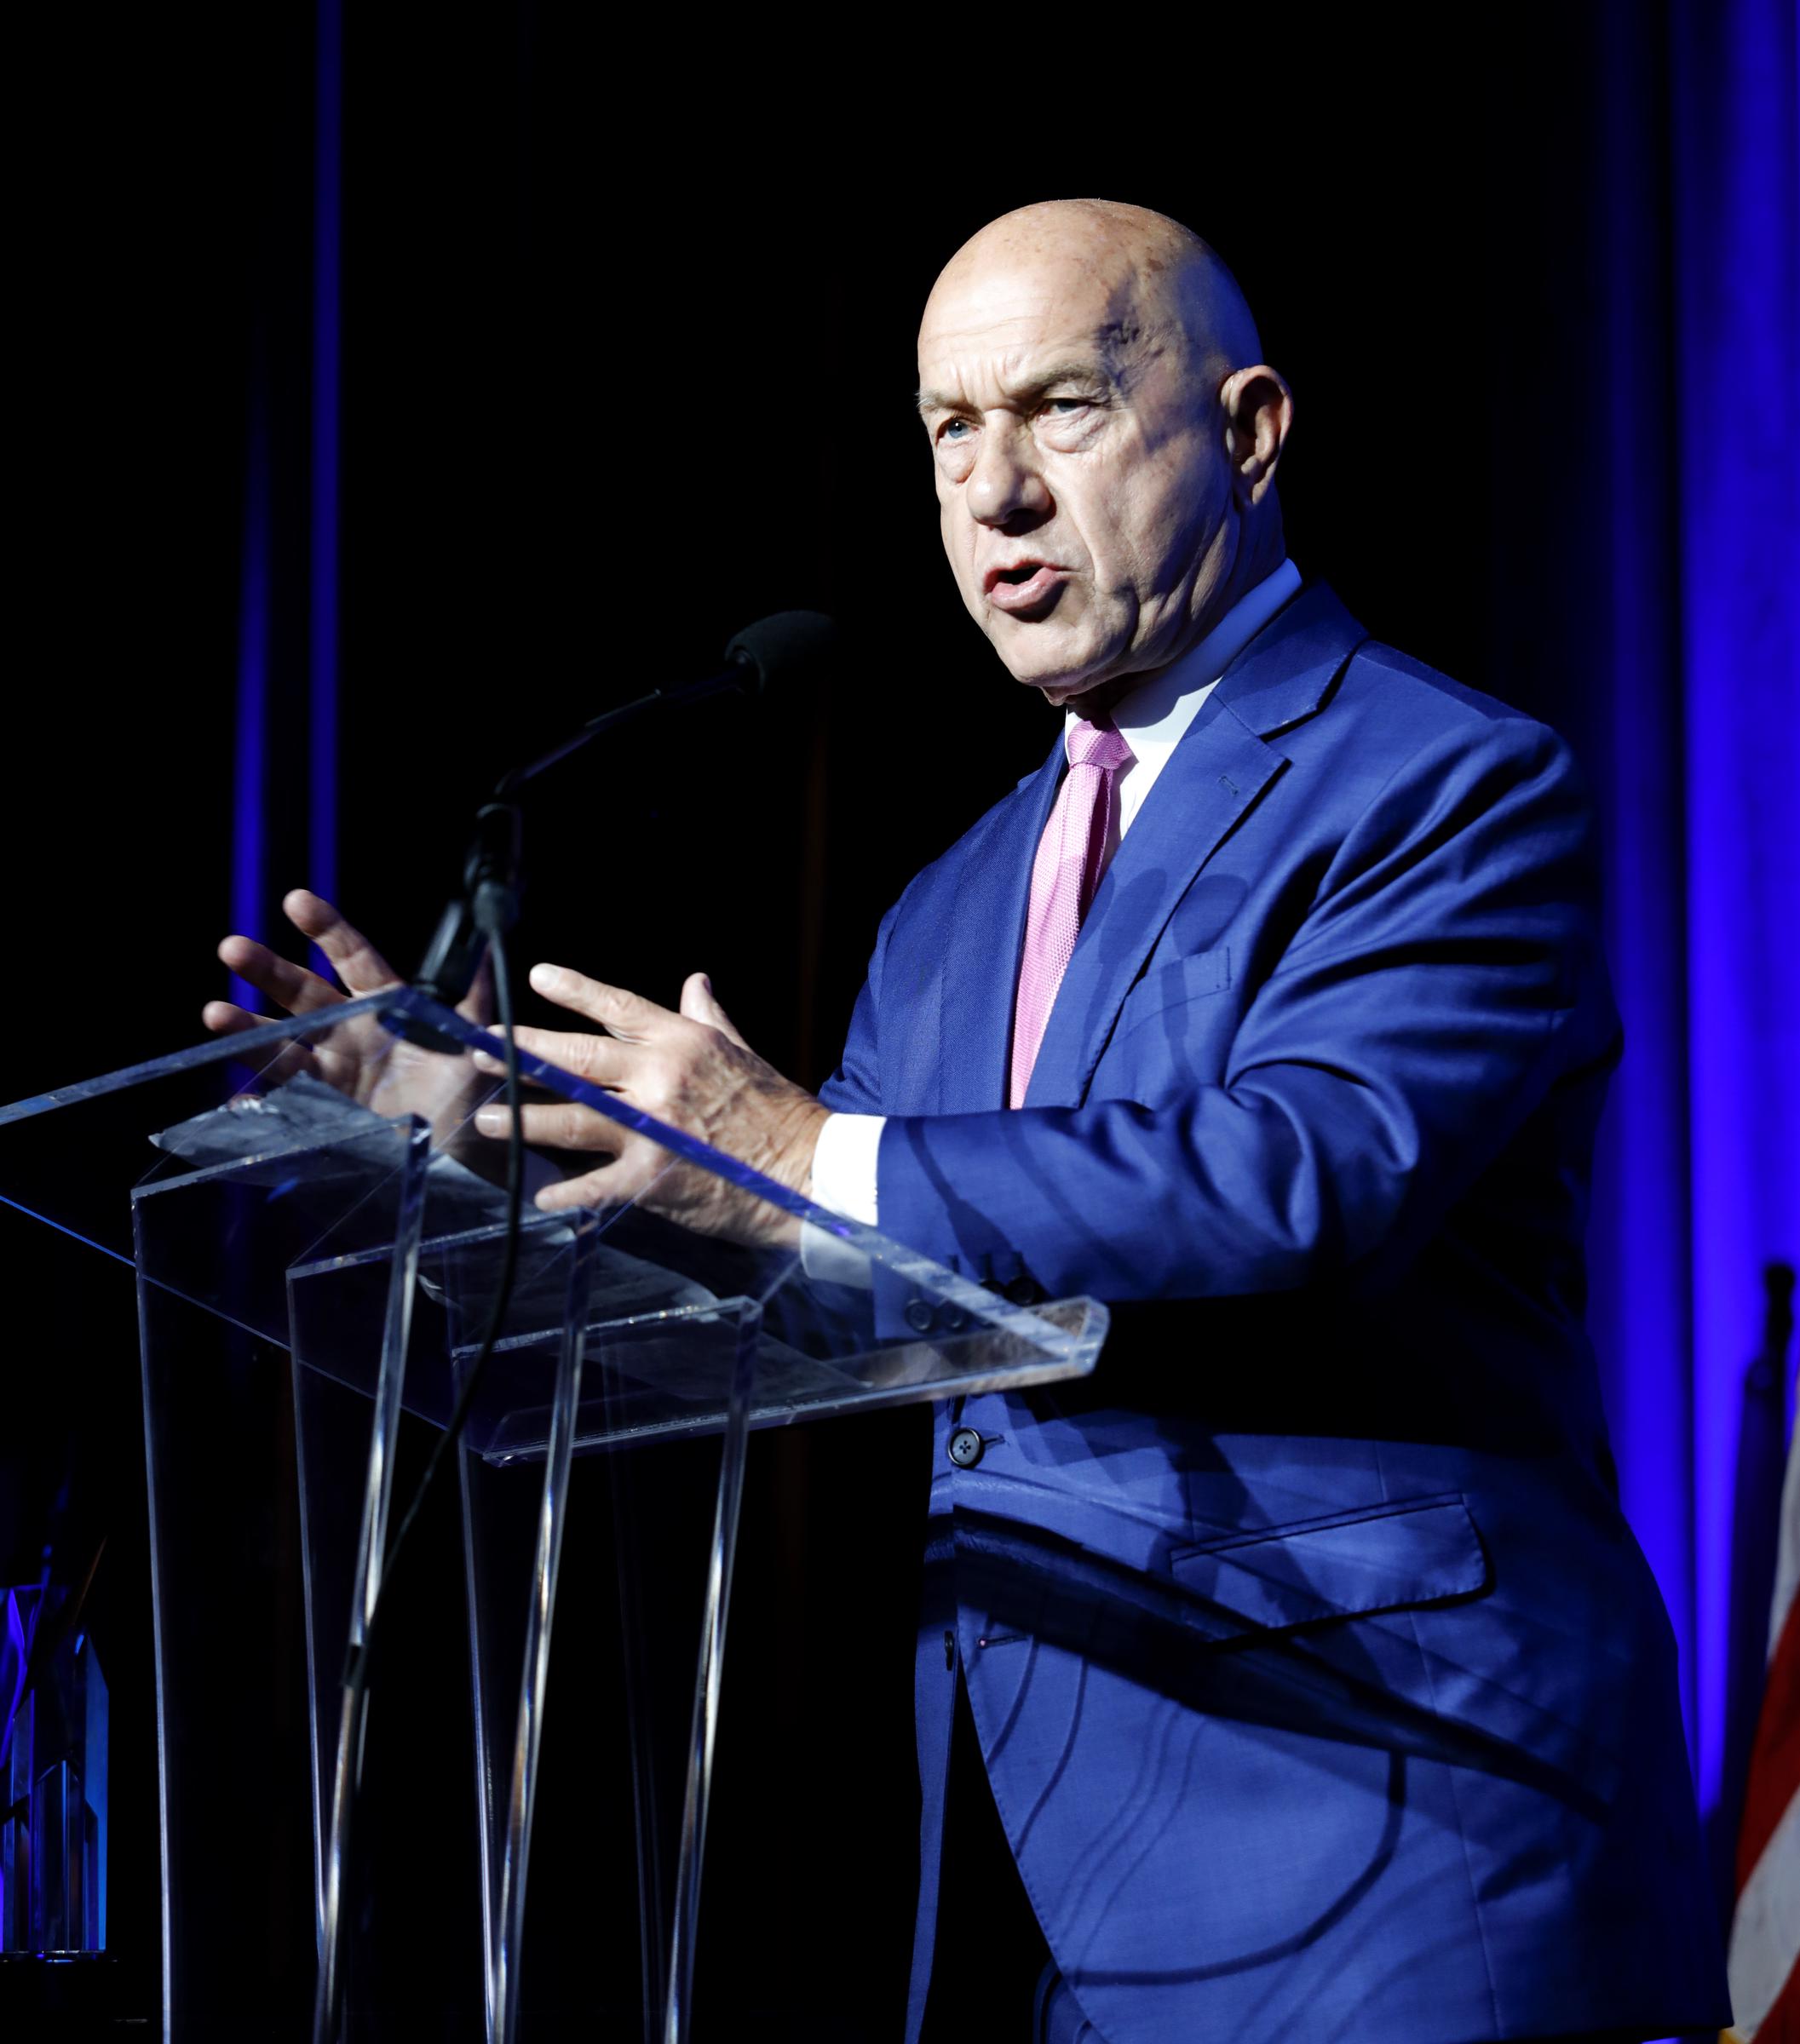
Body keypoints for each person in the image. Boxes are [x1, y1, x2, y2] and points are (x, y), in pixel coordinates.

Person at [210, 201, 1729, 2042]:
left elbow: (1307, 1171)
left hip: (1390, 1833)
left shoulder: (1445, 779)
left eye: (1062, 409)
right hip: (1040, 1865)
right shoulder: (950, 898)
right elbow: (846, 1279)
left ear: (1247, 433)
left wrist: (802, 1155)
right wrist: (479, 1137)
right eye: (949, 432)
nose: (993, 492)